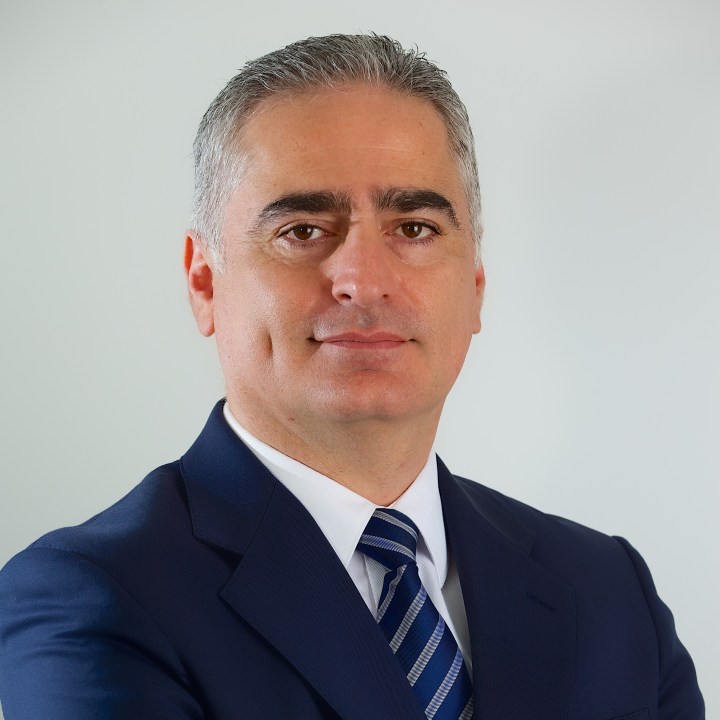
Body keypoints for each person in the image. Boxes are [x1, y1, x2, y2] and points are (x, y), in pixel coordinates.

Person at [0, 34, 704, 720]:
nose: (365, 281)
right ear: (205, 282)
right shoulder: (92, 598)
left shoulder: (609, 592)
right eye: (303, 230)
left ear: (476, 285)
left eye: (415, 228)